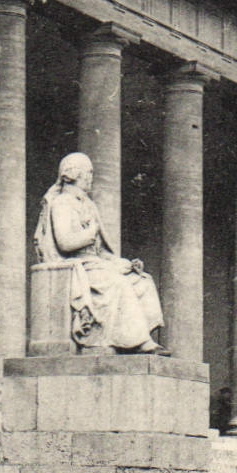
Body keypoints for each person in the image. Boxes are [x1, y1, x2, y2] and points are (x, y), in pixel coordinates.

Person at [32, 152, 165, 354]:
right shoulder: (62, 203)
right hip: (78, 265)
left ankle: (133, 342)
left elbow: (102, 252)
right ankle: (140, 342)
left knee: (142, 280)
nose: (90, 178)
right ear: (73, 175)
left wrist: (125, 263)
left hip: (97, 264)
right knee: (118, 284)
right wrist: (90, 233)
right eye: (88, 173)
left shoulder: (89, 205)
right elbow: (65, 243)